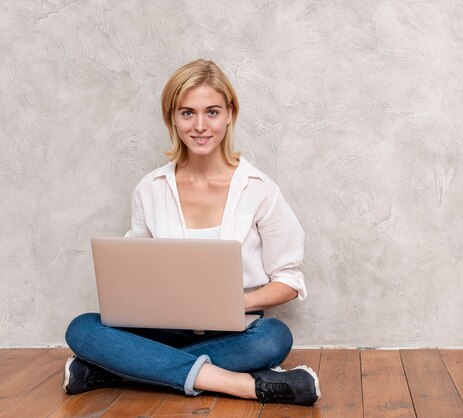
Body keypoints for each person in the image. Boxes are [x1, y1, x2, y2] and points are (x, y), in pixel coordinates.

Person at [63, 59, 320, 406]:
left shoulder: (259, 189)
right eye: (187, 113)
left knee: (273, 339)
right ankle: (242, 385)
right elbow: (133, 268)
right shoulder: (150, 188)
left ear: (230, 114)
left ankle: (119, 370)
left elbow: (289, 280)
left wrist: (236, 303)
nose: (200, 126)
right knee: (82, 328)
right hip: (162, 330)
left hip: (234, 331)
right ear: (172, 118)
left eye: (212, 112)